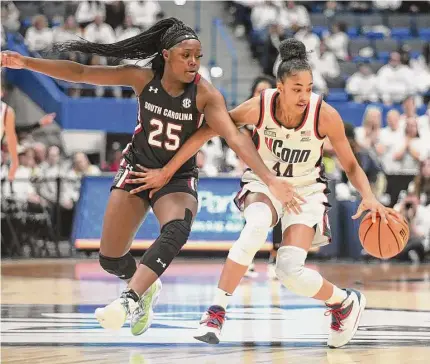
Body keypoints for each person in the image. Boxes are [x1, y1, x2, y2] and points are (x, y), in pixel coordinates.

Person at [1, 18, 300, 336]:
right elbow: (81, 73)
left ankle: (129, 300)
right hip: (138, 169)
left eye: (198, 56)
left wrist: (270, 179)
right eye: (186, 55)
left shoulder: (206, 95)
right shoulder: (142, 78)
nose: (193, 63)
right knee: (111, 259)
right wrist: (26, 63)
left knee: (177, 228)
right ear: (167, 54)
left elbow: (236, 137)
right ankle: (147, 287)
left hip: (176, 177)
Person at [130, 38, 399, 348]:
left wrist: (368, 195)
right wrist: (169, 169)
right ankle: (216, 312)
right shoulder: (260, 106)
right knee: (257, 225)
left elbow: (351, 165)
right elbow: (210, 129)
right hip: (265, 183)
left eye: (308, 89)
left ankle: (344, 302)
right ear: (280, 87)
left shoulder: (324, 115)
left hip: (306, 191)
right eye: (296, 89)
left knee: (288, 270)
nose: (303, 96)